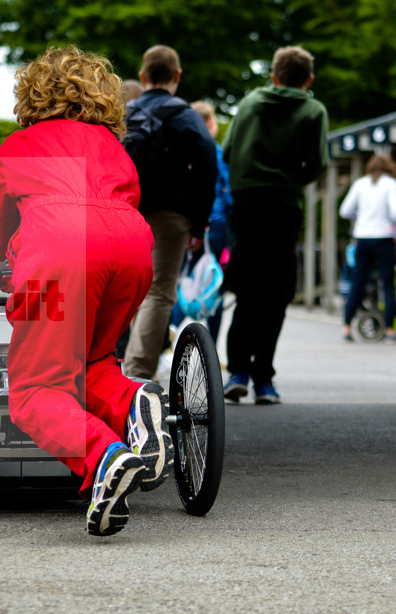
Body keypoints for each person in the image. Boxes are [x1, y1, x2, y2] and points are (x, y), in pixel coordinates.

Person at [0, 47, 173, 537]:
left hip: (59, 255)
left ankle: (104, 459)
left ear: (32, 94)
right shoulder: (113, 147)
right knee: (94, 364)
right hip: (132, 250)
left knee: (35, 391)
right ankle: (135, 399)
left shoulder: (19, 146)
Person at [222, 45, 328, 404]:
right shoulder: (313, 110)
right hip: (284, 202)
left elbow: (227, 150)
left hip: (247, 202)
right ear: (308, 79)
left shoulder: (250, 103)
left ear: (273, 75)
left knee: (248, 286)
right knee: (278, 290)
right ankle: (263, 377)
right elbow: (317, 163)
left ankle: (236, 370)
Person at [122, 45, 217, 381]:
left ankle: (119, 366)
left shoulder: (124, 112)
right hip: (171, 216)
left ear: (143, 75)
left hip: (124, 213)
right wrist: (200, 222)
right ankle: (136, 375)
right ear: (177, 76)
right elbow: (208, 165)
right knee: (159, 290)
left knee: (130, 289)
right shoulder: (186, 115)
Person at [169, 101, 232, 341]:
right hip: (213, 224)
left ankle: (173, 327)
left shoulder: (180, 152)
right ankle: (211, 347)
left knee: (187, 277)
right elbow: (227, 191)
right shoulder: (215, 152)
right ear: (208, 122)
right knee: (213, 283)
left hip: (184, 223)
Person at [339, 155, 396, 342]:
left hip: (362, 237)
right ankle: (389, 330)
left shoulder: (360, 184)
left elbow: (345, 210)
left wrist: (360, 218)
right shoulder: (390, 184)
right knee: (387, 283)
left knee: (358, 281)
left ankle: (347, 327)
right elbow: (395, 212)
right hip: (383, 238)